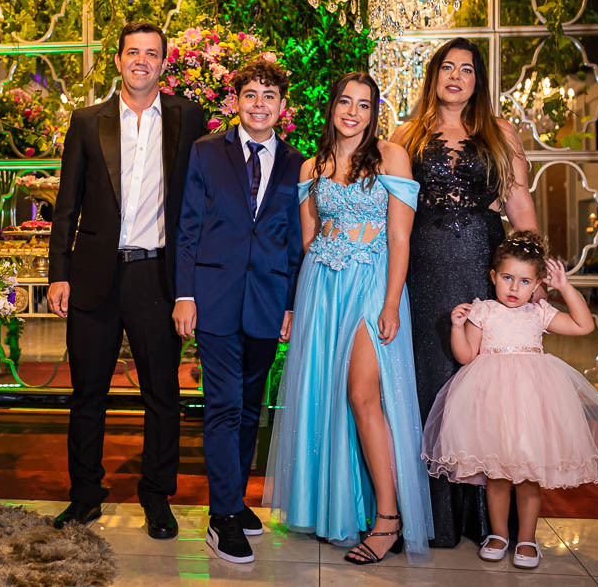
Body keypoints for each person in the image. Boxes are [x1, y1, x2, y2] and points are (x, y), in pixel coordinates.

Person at [264, 72, 433, 565]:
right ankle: (333, 508)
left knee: (362, 395)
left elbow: (400, 237)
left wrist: (391, 302)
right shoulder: (312, 166)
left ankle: (388, 519)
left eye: (363, 104)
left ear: (373, 112)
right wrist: (304, 298)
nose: (353, 112)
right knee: (324, 394)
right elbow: (308, 239)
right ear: (332, 107)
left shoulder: (391, 157)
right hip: (322, 285)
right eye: (345, 101)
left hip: (372, 282)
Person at [47, 21, 206, 538]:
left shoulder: (188, 118)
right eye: (133, 52)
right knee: (87, 394)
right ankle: (84, 497)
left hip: (156, 276)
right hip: (94, 274)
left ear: (163, 63)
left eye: (151, 53)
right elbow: (66, 204)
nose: (141, 60)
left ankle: (157, 497)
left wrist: (193, 281)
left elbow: (199, 200)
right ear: (118, 61)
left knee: (162, 394)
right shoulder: (87, 121)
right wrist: (58, 273)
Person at [389, 37, 539, 548]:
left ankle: (486, 522)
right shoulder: (406, 134)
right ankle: (433, 517)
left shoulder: (500, 131)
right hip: (423, 269)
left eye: (467, 69)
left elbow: (519, 205)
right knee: (429, 378)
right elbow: (393, 214)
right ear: (433, 75)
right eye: (447, 67)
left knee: (486, 385)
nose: (456, 76)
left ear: (479, 80)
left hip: (483, 267)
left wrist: (533, 274)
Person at [422, 231, 598, 569]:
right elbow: (466, 356)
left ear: (537, 284)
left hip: (531, 403)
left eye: (524, 281)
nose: (514, 287)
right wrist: (457, 327)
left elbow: (583, 326)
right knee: (497, 475)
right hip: (492, 403)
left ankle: (527, 538)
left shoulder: (539, 313)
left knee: (529, 475)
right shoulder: (483, 311)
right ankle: (499, 535)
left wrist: (565, 287)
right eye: (507, 278)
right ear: (493, 277)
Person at [173, 58, 303, 564]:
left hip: (268, 301)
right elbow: (188, 227)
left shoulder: (297, 163)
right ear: (237, 101)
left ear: (282, 106)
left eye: (269, 96)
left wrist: (290, 303)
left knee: (251, 408)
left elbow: (296, 242)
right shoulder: (207, 152)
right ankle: (222, 515)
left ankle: (236, 498)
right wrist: (185, 294)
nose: (259, 104)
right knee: (224, 406)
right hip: (215, 298)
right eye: (251, 94)